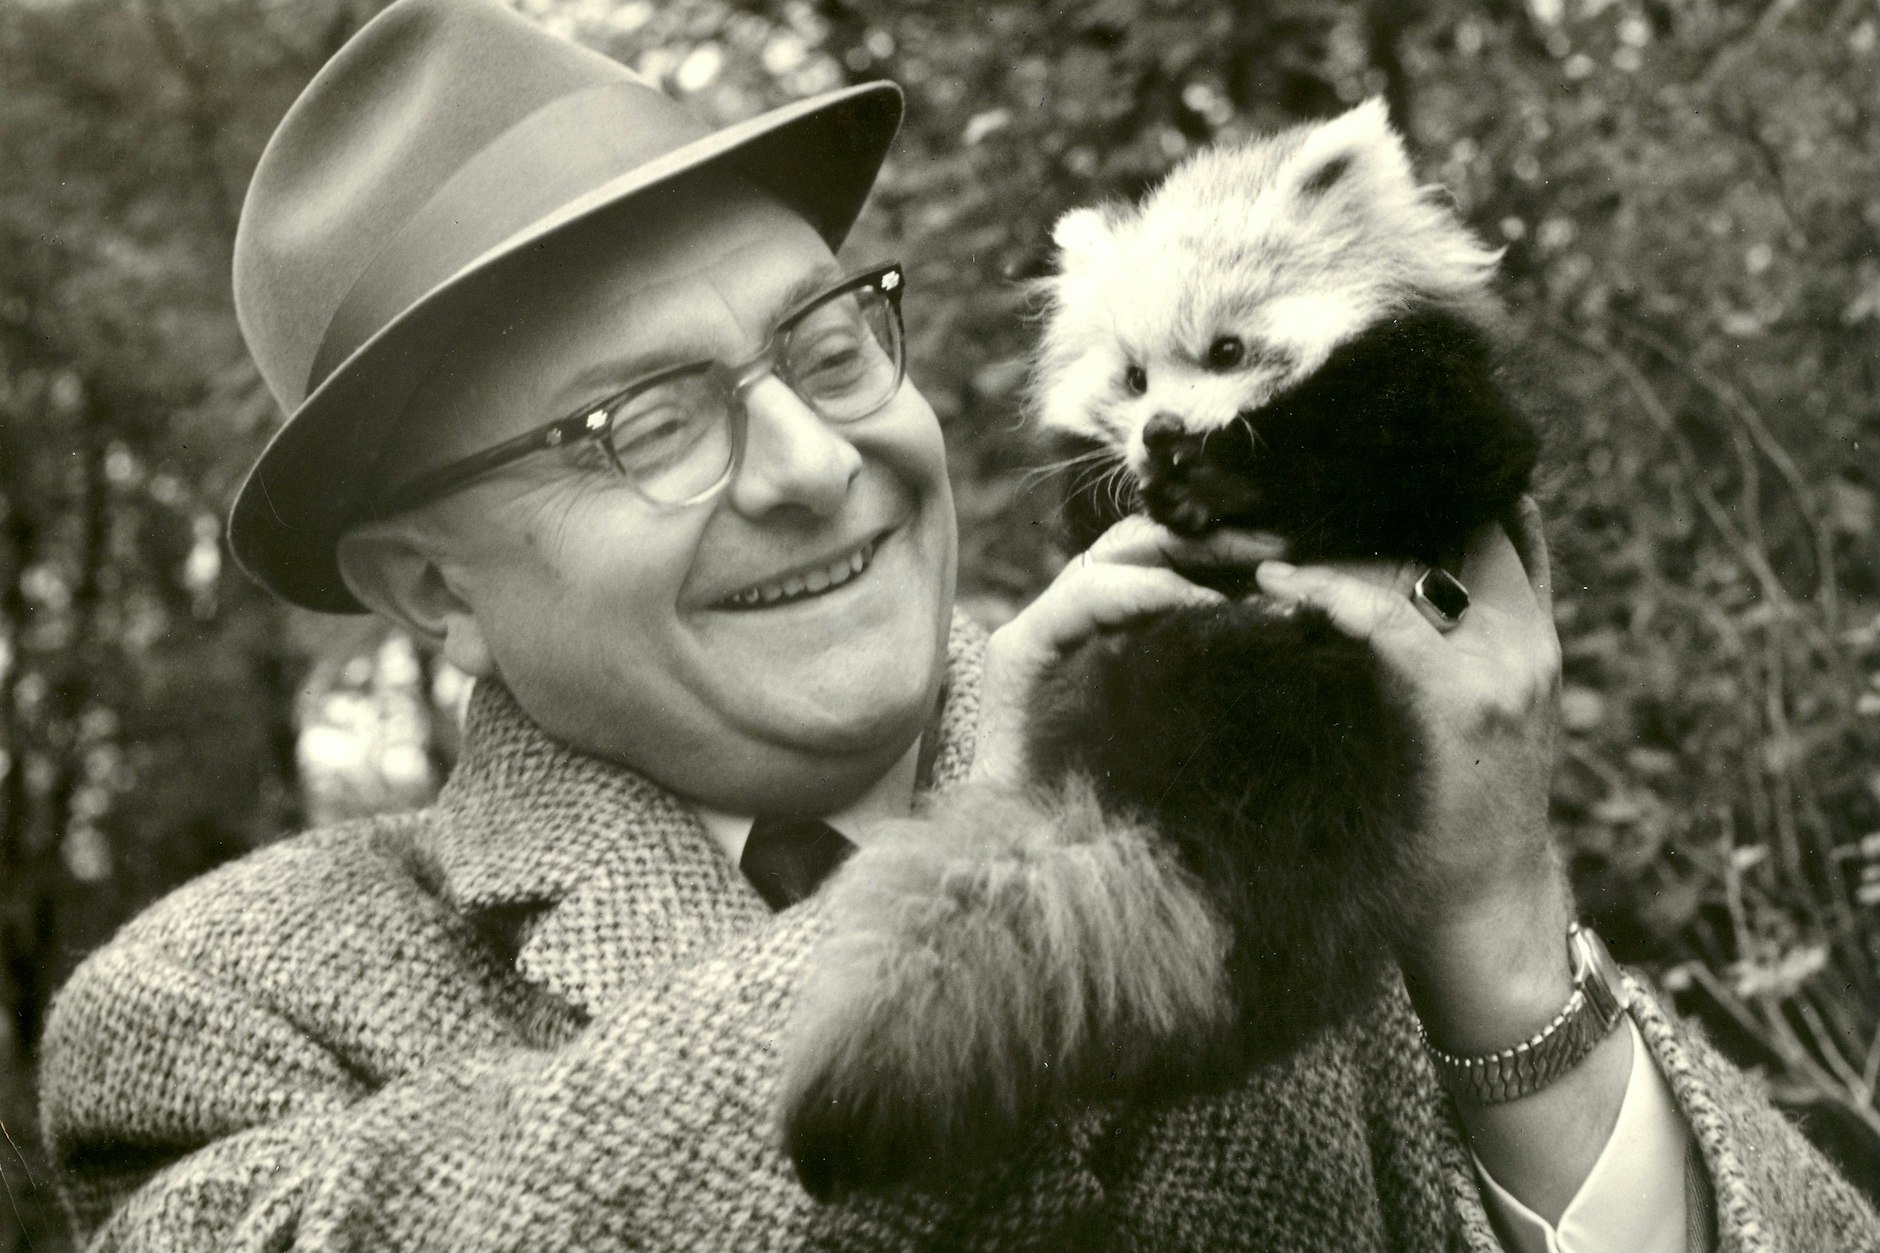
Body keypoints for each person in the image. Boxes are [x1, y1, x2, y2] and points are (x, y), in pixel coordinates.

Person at [37, 1, 1878, 1249]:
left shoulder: (1301, 703)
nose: (812, 460)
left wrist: (1503, 940)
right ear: (435, 589)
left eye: (829, 343)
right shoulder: (217, 1008)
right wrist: (994, 873)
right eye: (645, 422)